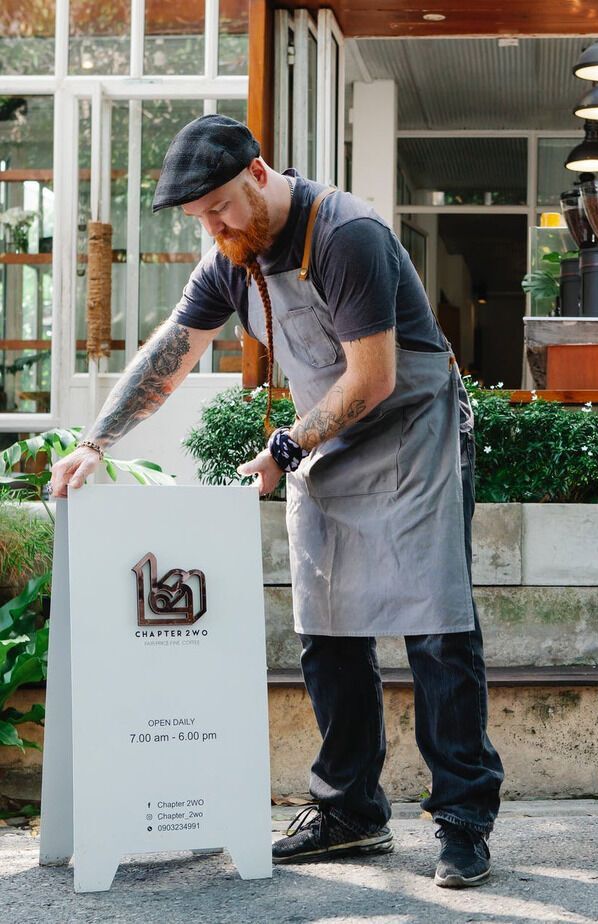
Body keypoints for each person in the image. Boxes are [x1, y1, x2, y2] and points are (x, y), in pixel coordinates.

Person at [45, 114, 503, 888]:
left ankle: (463, 821)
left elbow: (374, 379)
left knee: (436, 630)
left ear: (258, 174)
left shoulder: (346, 232)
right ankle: (350, 811)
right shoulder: (234, 255)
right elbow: (172, 351)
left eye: (218, 207)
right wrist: (96, 442)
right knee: (326, 629)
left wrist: (287, 447)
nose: (213, 226)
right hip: (329, 440)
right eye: (199, 218)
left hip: (410, 428)